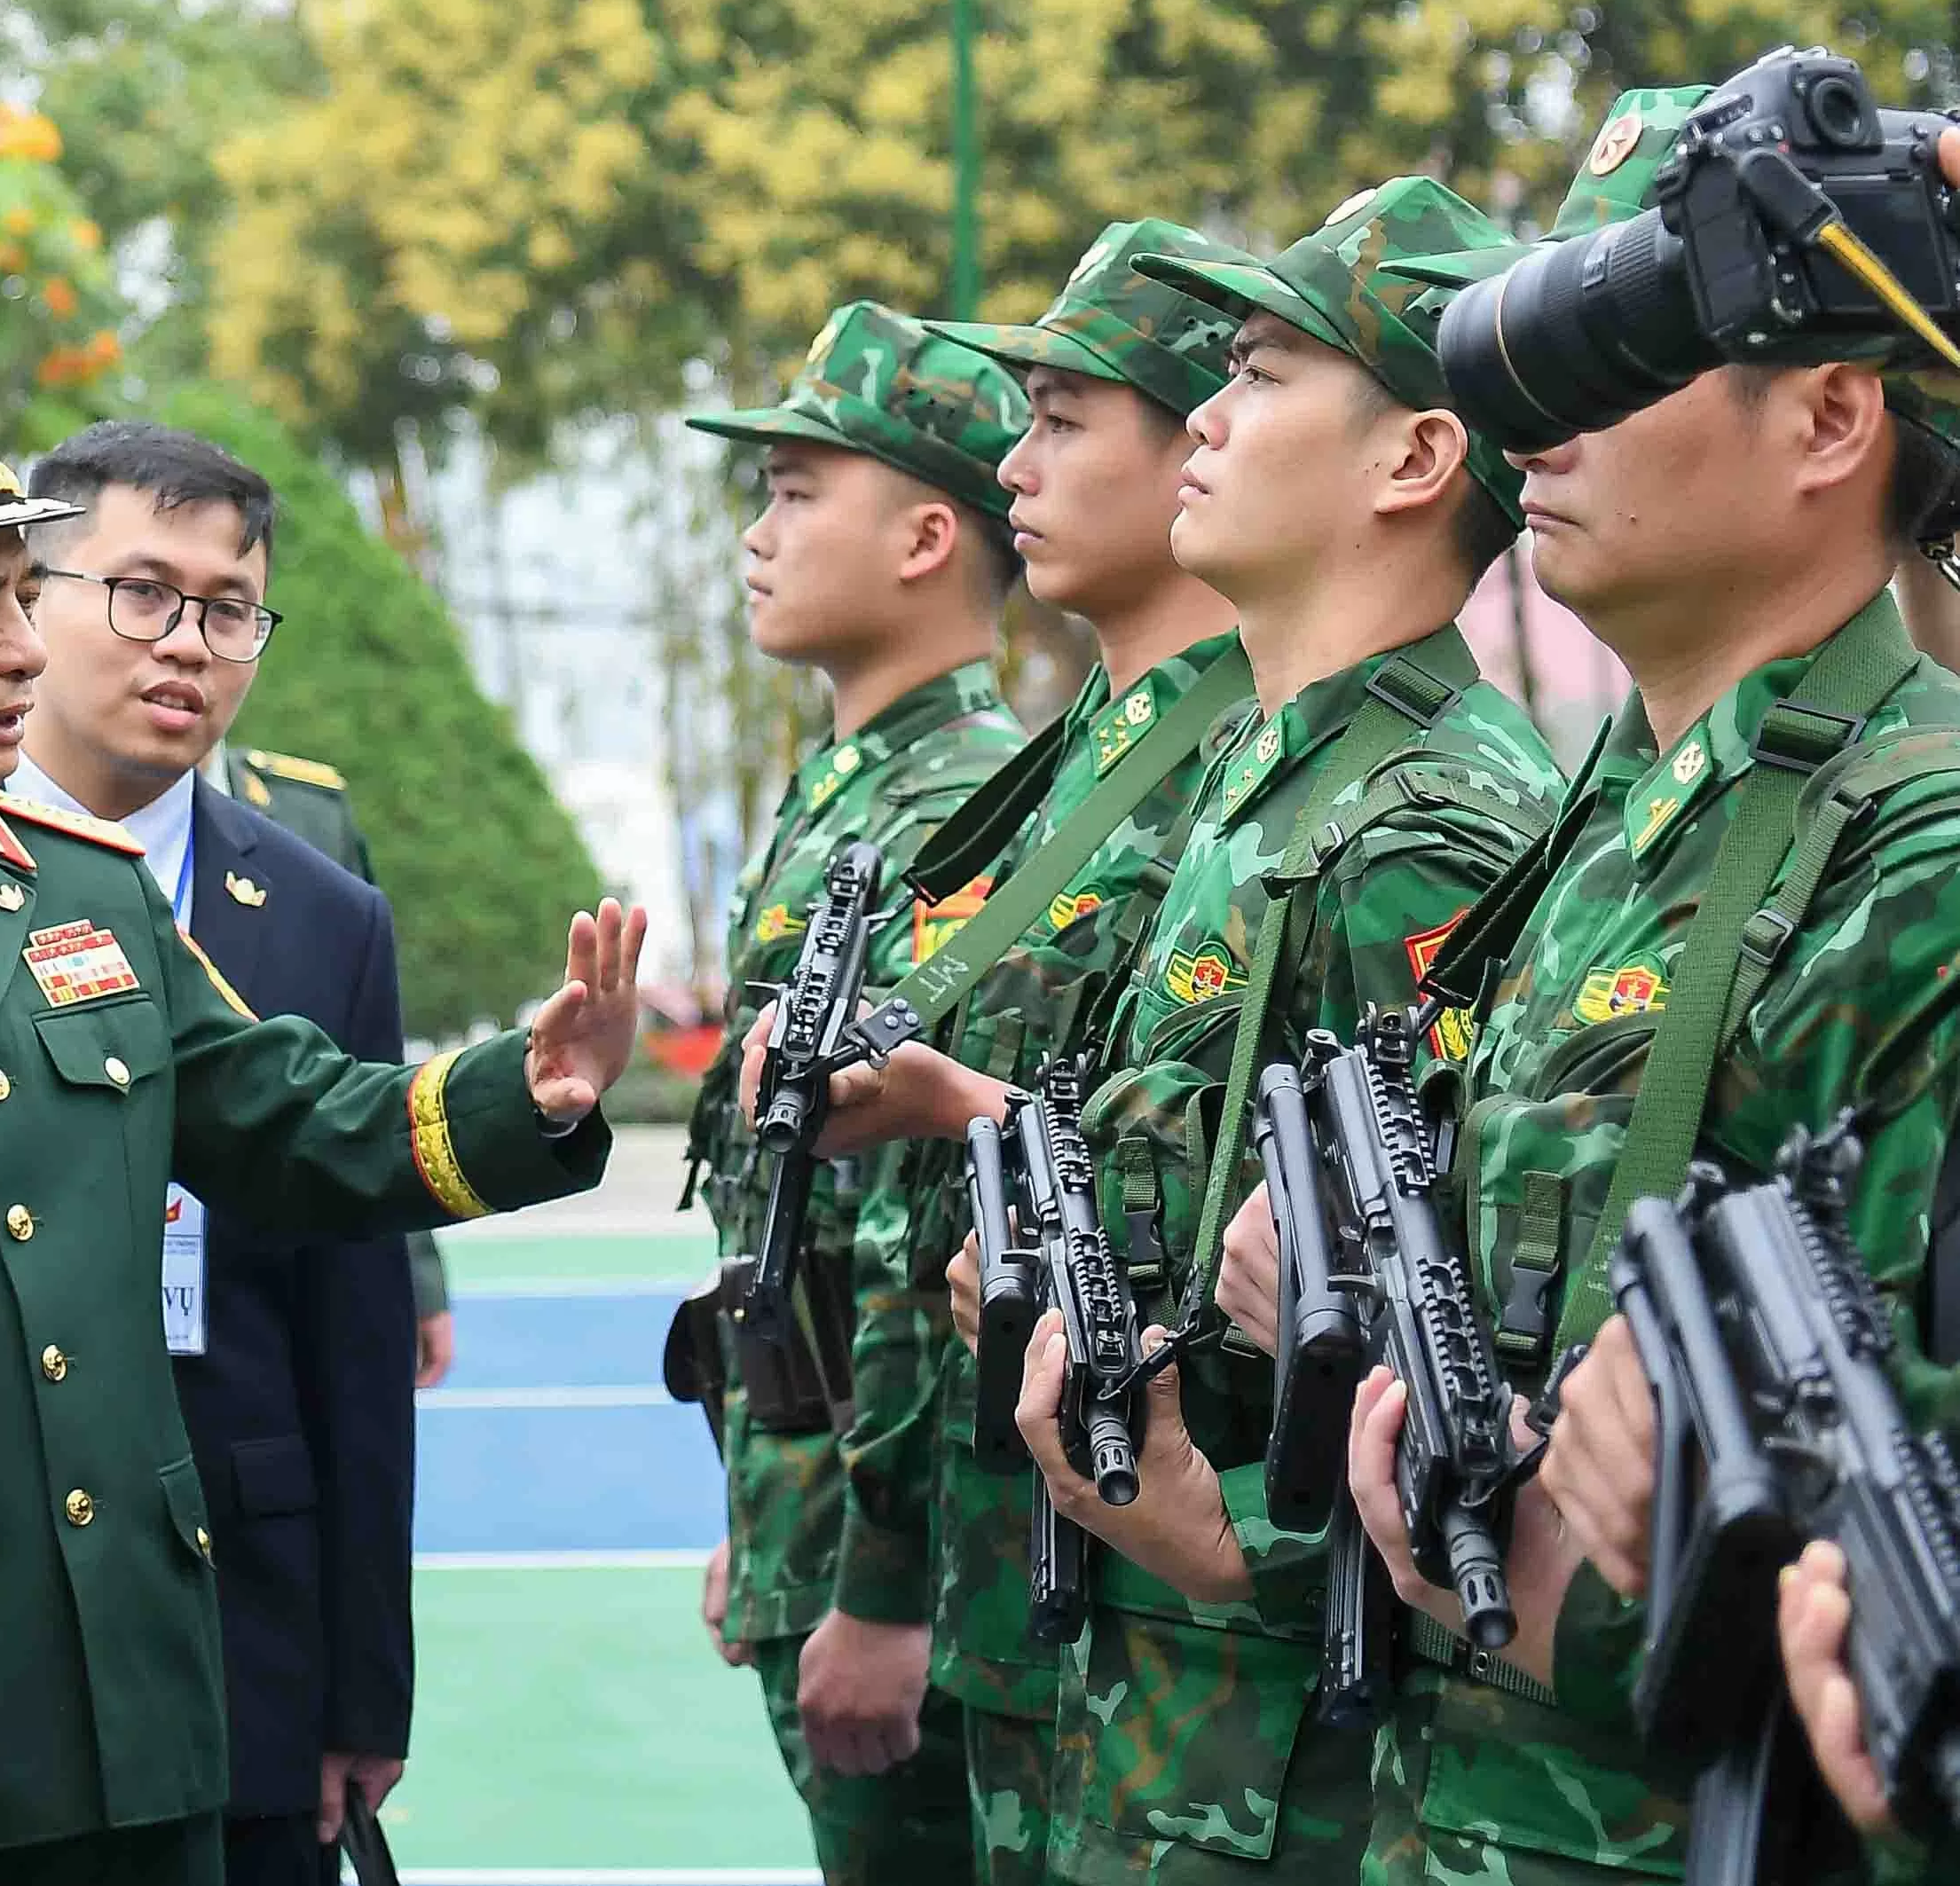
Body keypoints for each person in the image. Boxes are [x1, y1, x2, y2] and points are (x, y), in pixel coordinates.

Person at [0, 292, 649, 1886]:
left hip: (136, 1706)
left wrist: (531, 1091)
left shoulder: (80, 887)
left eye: (26, 597)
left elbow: (285, 1117)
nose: (25, 647)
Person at [794, 179, 1562, 1884]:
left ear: (1417, 456)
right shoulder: (1269, 776)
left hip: (1282, 1734)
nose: (1204, 418)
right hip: (1161, 1691)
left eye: (1264, 378)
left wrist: (1246, 1552)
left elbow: (1445, 1340)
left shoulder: (1423, 817)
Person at [1303, 101, 1960, 1886]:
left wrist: (1584, 1580)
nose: (1541, 422)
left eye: (1628, 351)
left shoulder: (1919, 859)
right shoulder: (1613, 814)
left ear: (1829, 418)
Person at [823, 223, 1260, 1886]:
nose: (1014, 465)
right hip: (1018, 1552)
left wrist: (963, 1111)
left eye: (1064, 420)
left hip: (1162, 1584)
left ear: (1195, 438)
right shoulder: (1094, 753)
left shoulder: (1246, 764)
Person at [12, 420, 421, 1886]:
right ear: (27, 592)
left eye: (229, 607)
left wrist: (363, 1682)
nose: (186, 642)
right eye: (141, 591)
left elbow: (357, 1318)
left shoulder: (319, 914)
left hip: (246, 1628)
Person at [674, 306, 1035, 1886]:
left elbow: (921, 1222)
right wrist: (764, 1513)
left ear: (926, 536)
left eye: (795, 492)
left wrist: (884, 1584)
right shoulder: (853, 785)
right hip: (811, 1502)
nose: (757, 536)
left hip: (898, 1553)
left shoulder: (957, 807)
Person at [208, 743, 456, 1388]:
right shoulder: (3, 800)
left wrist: (417, 1270)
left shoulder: (308, 814)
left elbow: (367, 1064)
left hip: (278, 1274)